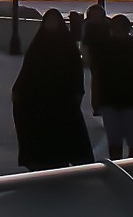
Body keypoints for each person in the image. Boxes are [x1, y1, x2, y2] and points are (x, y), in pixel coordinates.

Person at [12, 9, 94, 169]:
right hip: (37, 97)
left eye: (54, 22)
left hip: (62, 97)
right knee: (39, 129)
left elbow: (76, 71)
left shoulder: (68, 46)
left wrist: (78, 91)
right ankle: (39, 160)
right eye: (48, 22)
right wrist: (18, 89)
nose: (51, 25)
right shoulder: (38, 45)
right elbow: (27, 70)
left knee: (61, 129)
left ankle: (60, 159)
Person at [97, 15, 133, 159]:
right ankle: (130, 169)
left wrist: (96, 98)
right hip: (132, 98)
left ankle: (118, 169)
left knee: (115, 139)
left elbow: (97, 74)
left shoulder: (104, 46)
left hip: (110, 98)